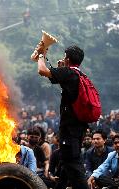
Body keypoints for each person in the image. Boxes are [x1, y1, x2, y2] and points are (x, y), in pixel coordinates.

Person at [36, 45, 89, 189]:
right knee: (67, 164)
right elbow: (59, 81)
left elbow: (42, 70)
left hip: (70, 130)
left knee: (73, 164)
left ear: (68, 58)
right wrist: (61, 70)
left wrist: (41, 55)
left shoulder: (69, 73)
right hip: (78, 129)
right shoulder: (79, 75)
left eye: (65, 56)